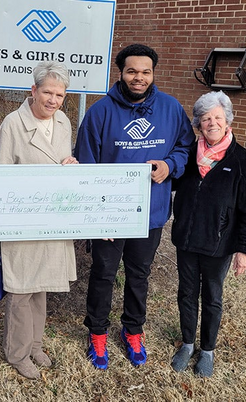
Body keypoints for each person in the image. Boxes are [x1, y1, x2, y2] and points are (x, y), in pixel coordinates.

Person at [74, 43, 195, 370]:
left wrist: (170, 165)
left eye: (145, 71)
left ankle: (133, 329)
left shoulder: (170, 109)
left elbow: (186, 148)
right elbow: (86, 165)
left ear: (153, 73)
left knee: (139, 274)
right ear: (121, 73)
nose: (138, 77)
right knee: (103, 273)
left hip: (150, 213)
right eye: (132, 71)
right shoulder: (99, 112)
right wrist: (97, 218)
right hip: (109, 216)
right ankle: (97, 332)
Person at [0, 61, 78, 380]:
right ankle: (17, 352)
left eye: (60, 94)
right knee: (21, 289)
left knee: (43, 286)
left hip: (53, 218)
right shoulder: (12, 125)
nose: (53, 100)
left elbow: (61, 164)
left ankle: (36, 345)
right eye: (48, 92)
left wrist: (70, 164)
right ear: (33, 91)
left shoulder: (64, 122)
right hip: (22, 218)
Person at [170, 91, 246, 377]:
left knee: (212, 297)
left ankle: (206, 350)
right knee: (186, 293)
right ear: (198, 123)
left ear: (227, 121)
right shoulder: (187, 156)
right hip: (186, 239)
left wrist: (245, 250)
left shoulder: (242, 160)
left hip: (218, 244)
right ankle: (187, 343)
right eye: (206, 118)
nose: (212, 123)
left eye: (218, 117)